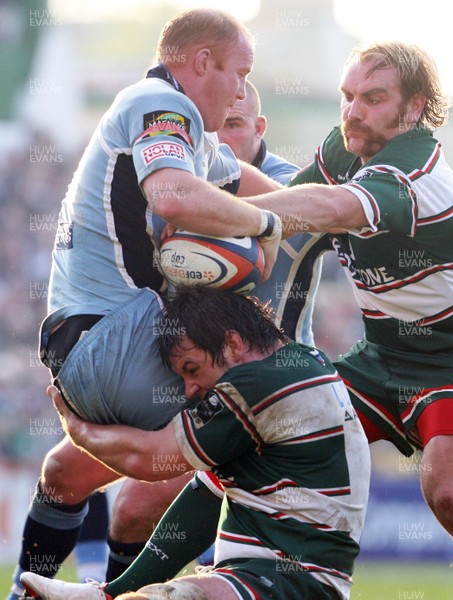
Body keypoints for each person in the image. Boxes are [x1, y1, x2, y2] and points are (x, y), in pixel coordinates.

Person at [244, 41, 453, 600]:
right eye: (349, 96)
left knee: (452, 495)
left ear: (414, 107)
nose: (354, 111)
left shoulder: (416, 171)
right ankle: (121, 590)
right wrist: (213, 188)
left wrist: (222, 207)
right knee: (259, 433)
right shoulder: (348, 144)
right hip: (383, 357)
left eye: (374, 98)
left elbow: (327, 210)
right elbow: (292, 207)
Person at [5, 9, 284, 600]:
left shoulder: (196, 142)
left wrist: (351, 211)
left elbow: (276, 192)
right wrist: (263, 227)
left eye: (247, 87)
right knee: (259, 428)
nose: (239, 87)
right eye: (238, 71)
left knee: (71, 476)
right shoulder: (163, 104)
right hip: (119, 343)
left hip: (87, 352)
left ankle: (28, 591)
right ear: (200, 62)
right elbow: (175, 195)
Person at [102, 80, 331, 580]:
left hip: (275, 384)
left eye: (236, 125)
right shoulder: (183, 182)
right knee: (102, 493)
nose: (223, 141)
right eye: (215, 128)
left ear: (259, 128)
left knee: (209, 517)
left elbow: (335, 216)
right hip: (205, 378)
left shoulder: (282, 188)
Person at [21, 285, 371, 600]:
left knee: (178, 597)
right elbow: (200, 504)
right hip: (276, 577)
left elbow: (149, 460)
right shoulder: (299, 367)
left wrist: (77, 428)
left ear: (232, 343)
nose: (189, 389)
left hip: (290, 581)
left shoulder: (258, 384)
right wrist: (112, 593)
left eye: (191, 368)